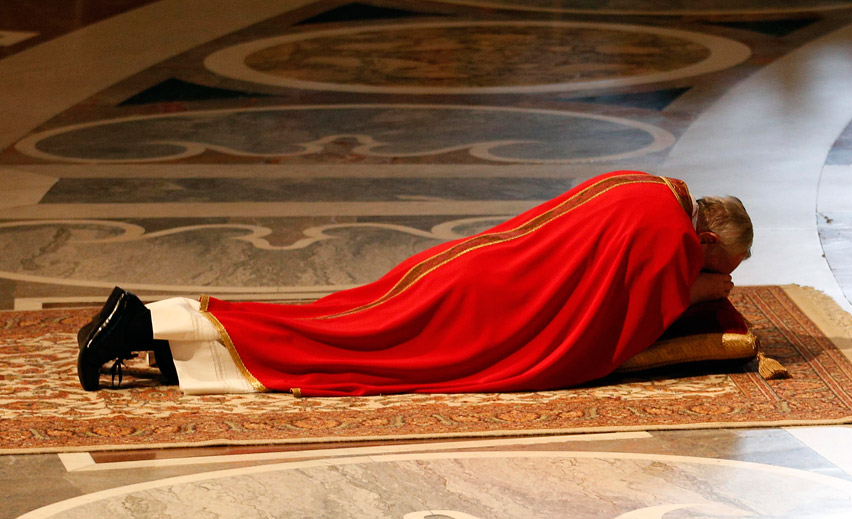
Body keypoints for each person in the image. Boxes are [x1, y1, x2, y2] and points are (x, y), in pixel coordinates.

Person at [76, 171, 752, 396]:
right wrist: (699, 294)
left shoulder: (648, 188)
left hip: (471, 265)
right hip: (487, 307)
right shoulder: (670, 244)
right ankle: (142, 323)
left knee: (334, 319)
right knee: (340, 346)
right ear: (711, 241)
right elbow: (616, 337)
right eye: (726, 266)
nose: (720, 279)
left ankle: (153, 339)